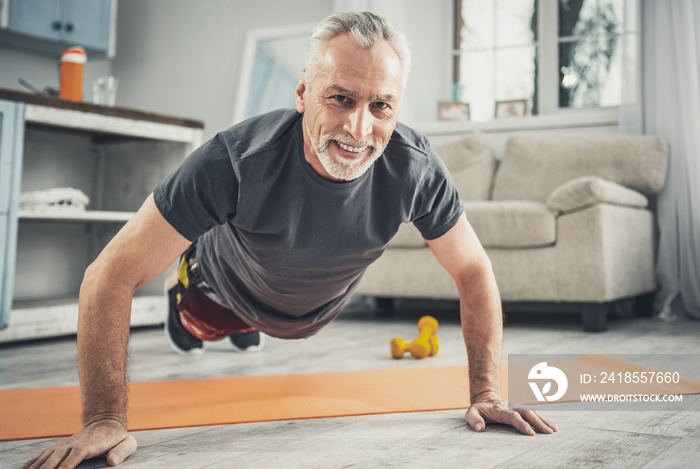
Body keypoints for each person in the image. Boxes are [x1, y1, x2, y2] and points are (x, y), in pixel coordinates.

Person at [22, 11, 557, 469]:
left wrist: (486, 392)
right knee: (192, 330)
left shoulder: (415, 169)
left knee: (266, 325)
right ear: (303, 93)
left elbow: (473, 270)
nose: (358, 127)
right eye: (341, 98)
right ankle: (191, 293)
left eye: (380, 107)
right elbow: (108, 274)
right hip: (219, 292)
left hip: (308, 313)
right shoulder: (233, 160)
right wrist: (102, 419)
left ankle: (253, 327)